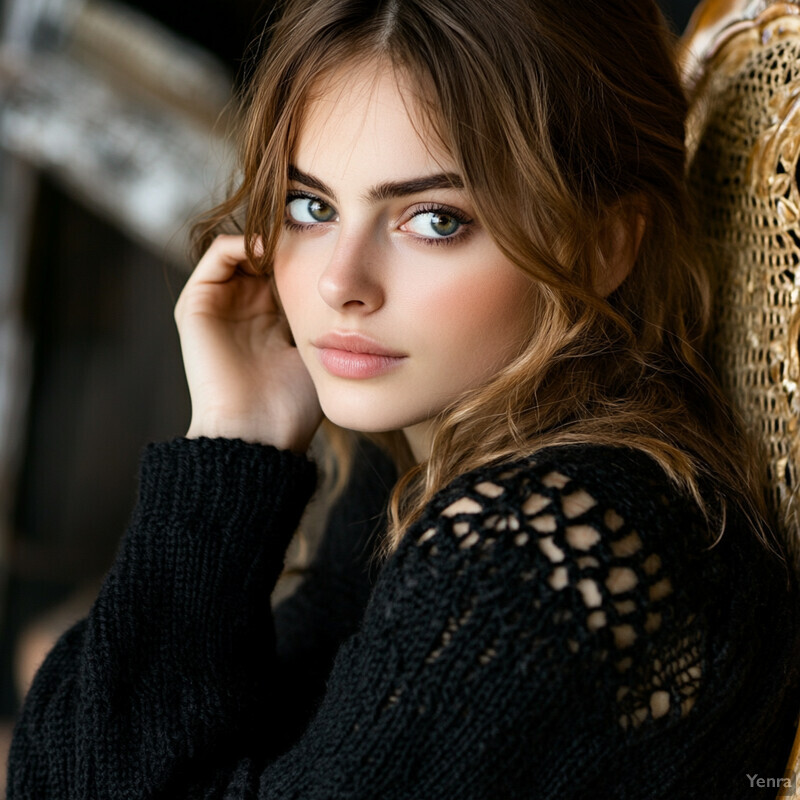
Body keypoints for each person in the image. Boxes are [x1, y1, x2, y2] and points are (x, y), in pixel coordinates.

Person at [7, 0, 800, 797]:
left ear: (601, 247)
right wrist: (233, 437)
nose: (338, 283)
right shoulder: (421, 467)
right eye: (310, 206)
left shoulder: (541, 546)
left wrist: (222, 469)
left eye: (433, 220)